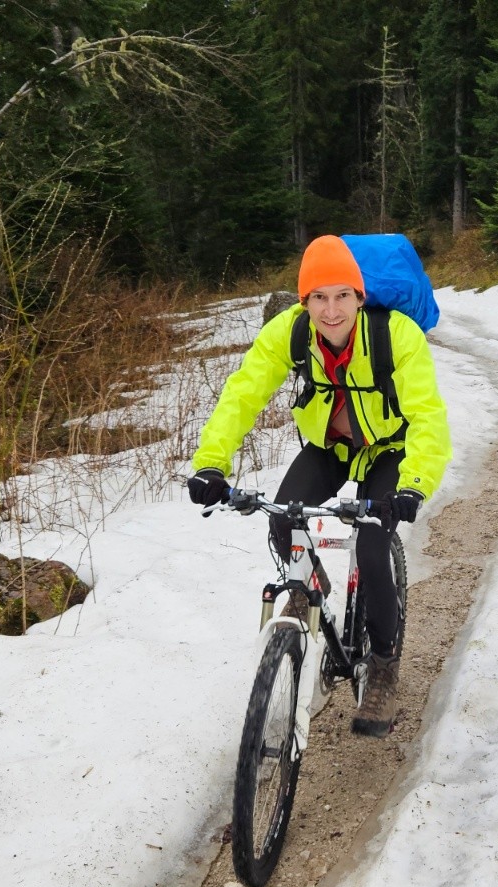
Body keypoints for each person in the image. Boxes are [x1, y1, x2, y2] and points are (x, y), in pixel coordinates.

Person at [187, 234, 451, 738]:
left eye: (342, 296)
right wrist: (211, 465)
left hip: (388, 451)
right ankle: (312, 592)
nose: (331, 311)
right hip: (329, 449)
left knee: (373, 546)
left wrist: (412, 487)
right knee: (284, 520)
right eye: (318, 298)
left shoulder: (395, 334)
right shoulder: (289, 333)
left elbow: (428, 417)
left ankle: (383, 666)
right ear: (303, 302)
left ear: (359, 296)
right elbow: (242, 394)